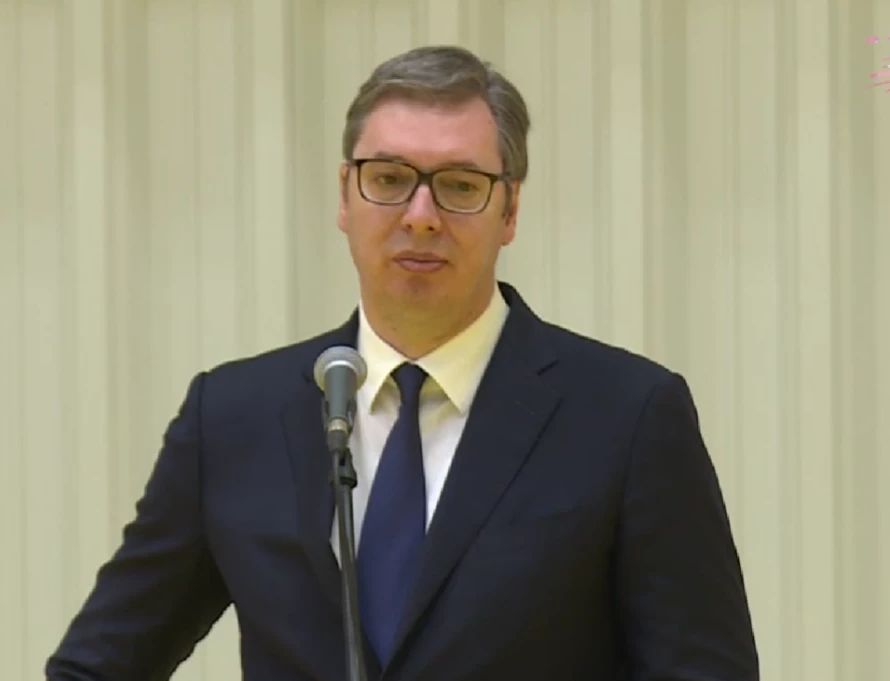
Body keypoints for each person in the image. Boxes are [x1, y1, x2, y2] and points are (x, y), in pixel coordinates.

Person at [45, 45, 759, 681]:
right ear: (344, 197)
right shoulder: (233, 419)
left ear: (510, 210)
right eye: (388, 178)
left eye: (460, 185)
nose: (420, 215)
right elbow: (98, 665)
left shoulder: (627, 417)